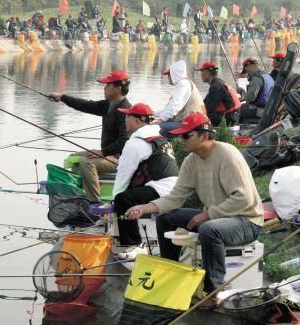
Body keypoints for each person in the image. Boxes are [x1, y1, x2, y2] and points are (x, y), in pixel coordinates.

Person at [125, 112, 263, 307]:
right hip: (217, 217)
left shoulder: (228, 155)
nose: (181, 140)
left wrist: (207, 214)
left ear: (204, 135)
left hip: (246, 221)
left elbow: (243, 199)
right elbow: (176, 197)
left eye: (186, 136)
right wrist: (145, 207)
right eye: (180, 136)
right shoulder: (191, 160)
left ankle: (213, 291)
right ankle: (172, 274)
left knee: (209, 229)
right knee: (166, 219)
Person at [46, 71, 131, 203]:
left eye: (107, 85)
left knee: (87, 162)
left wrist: (103, 152)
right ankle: (79, 195)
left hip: (119, 158)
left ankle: (94, 203)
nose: (104, 88)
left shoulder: (125, 111)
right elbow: (85, 105)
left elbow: (125, 141)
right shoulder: (108, 105)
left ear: (118, 88)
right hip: (108, 155)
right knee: (75, 158)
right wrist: (62, 97)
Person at [111, 103, 178, 256]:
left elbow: (123, 176)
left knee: (122, 199)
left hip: (161, 188)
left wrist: (113, 203)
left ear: (137, 120)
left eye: (127, 116)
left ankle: (133, 244)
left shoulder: (135, 143)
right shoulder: (159, 137)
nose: (124, 120)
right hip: (174, 187)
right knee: (128, 195)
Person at [156, 60, 205, 137]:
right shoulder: (183, 84)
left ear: (173, 74)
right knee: (162, 121)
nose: (168, 77)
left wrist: (160, 120)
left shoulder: (183, 85)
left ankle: (168, 146)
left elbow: (175, 106)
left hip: (194, 123)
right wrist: (153, 114)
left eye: (169, 74)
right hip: (190, 120)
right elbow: (169, 108)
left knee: (160, 128)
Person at [195, 61, 241, 126]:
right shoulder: (217, 82)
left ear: (207, 73)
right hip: (232, 115)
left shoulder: (216, 87)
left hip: (230, 118)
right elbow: (206, 102)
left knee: (197, 119)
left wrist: (196, 112)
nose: (201, 74)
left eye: (202, 72)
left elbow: (208, 108)